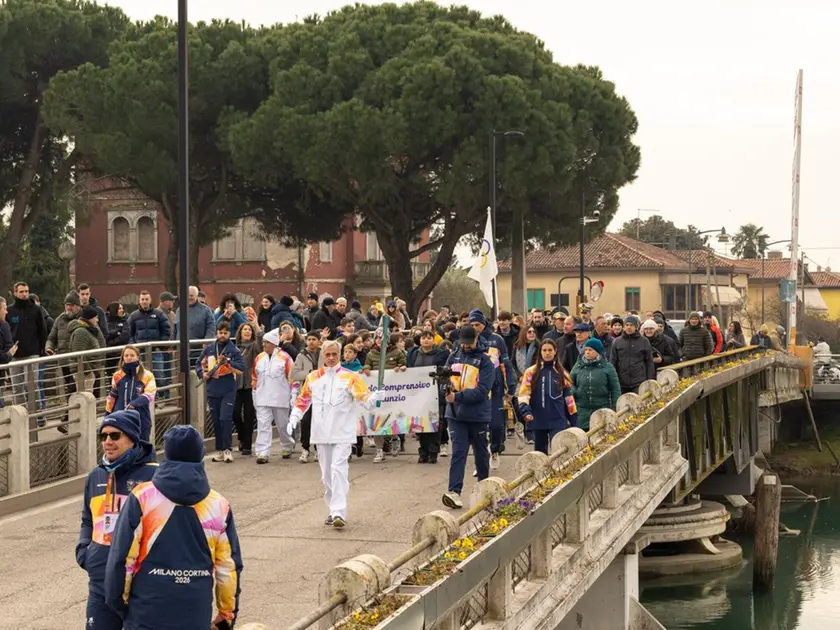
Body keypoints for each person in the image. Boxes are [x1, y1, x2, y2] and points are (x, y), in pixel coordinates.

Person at [104, 425, 242, 630]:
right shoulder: (218, 504)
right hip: (195, 611)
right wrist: (227, 613)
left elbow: (122, 559)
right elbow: (228, 567)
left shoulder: (143, 497)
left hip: (146, 610)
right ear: (200, 454)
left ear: (166, 453)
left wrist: (120, 604)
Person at [288, 340, 382, 528]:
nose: (331, 358)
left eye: (334, 355)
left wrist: (374, 398)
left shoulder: (350, 377)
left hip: (342, 432)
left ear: (339, 356)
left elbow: (364, 399)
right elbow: (303, 400)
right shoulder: (313, 377)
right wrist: (294, 417)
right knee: (327, 475)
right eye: (328, 355)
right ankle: (332, 509)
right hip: (321, 433)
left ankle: (339, 511)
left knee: (339, 469)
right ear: (322, 356)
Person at [76, 410, 157, 630]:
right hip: (100, 580)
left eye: (115, 435)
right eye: (103, 436)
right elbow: (87, 519)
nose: (108, 442)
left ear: (132, 438)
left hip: (139, 583)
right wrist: (85, 552)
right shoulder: (96, 475)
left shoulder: (153, 476)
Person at [441, 325, 494, 509]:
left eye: (469, 343)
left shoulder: (485, 361)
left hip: (478, 416)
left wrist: (458, 396)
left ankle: (484, 490)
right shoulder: (454, 355)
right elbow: (445, 378)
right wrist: (445, 389)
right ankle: (454, 492)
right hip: (455, 415)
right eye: (463, 343)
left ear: (476, 339)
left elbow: (482, 391)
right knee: (458, 452)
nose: (465, 346)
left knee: (481, 454)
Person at [467, 309, 517, 470]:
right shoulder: (467, 340)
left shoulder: (497, 340)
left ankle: (494, 449)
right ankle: (481, 460)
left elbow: (506, 365)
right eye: (472, 324)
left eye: (478, 324)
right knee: (479, 428)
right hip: (476, 389)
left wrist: (511, 386)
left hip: (495, 388)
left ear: (484, 324)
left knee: (496, 425)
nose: (475, 327)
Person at [196, 321, 245, 463]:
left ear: (229, 334)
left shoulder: (233, 350)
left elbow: (241, 368)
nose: (222, 335)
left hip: (228, 389)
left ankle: (228, 449)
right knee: (216, 420)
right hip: (212, 388)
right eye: (220, 332)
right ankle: (219, 450)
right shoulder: (210, 348)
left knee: (225, 418)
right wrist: (202, 374)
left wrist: (228, 362)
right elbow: (199, 363)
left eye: (225, 333)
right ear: (217, 333)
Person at [519, 338, 578, 454]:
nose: (547, 353)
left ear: (555, 351)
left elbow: (569, 400)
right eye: (544, 350)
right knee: (540, 454)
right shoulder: (531, 372)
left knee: (559, 452)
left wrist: (575, 421)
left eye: (550, 350)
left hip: (558, 419)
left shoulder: (562, 373)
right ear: (540, 352)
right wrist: (526, 412)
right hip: (538, 419)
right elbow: (523, 395)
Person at [252, 328, 298, 464]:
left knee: (282, 425)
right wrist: (254, 393)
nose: (264, 345)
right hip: (262, 397)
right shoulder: (259, 358)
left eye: (266, 342)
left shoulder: (285, 358)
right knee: (263, 425)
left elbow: (293, 377)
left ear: (274, 344)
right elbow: (254, 377)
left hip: (280, 397)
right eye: (263, 342)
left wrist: (294, 394)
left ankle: (287, 445)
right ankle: (262, 452)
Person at [363, 330, 407, 462]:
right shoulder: (371, 353)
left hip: (392, 392)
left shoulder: (396, 352)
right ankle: (379, 449)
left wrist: (401, 367)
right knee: (376, 419)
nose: (379, 341)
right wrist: (366, 368)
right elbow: (367, 364)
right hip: (376, 391)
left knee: (392, 416)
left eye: (382, 338)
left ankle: (394, 438)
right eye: (377, 338)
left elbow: (403, 362)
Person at [406, 330, 450, 463]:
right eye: (423, 338)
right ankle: (423, 451)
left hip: (435, 393)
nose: (426, 340)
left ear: (433, 340)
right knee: (421, 423)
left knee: (435, 423)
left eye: (429, 338)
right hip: (419, 394)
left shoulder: (441, 354)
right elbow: (409, 369)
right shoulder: (413, 354)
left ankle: (433, 451)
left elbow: (445, 371)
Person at [7, 281, 48, 405]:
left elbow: (42, 330)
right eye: (21, 292)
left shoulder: (36, 309)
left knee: (31, 386)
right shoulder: (10, 310)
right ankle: (20, 416)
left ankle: (36, 416)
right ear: (15, 293)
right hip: (15, 355)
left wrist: (41, 351)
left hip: (32, 353)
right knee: (17, 388)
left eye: (26, 291)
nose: (24, 294)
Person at [105, 346, 157, 443]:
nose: (129, 357)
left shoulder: (147, 375)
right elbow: (112, 397)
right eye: (126, 355)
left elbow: (150, 394)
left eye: (132, 355)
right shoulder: (117, 375)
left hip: (141, 418)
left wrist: (134, 403)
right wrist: (107, 415)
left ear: (138, 357)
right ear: (123, 358)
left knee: (141, 449)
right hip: (120, 418)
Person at [570, 338, 621, 431]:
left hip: (601, 408)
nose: (587, 352)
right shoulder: (578, 366)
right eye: (586, 350)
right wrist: (574, 391)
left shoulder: (608, 367)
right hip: (582, 409)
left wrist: (614, 409)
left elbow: (615, 389)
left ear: (598, 352)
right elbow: (570, 383)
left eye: (590, 350)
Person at [291, 331, 322, 463]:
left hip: (322, 392)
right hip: (307, 392)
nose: (311, 342)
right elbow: (295, 374)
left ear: (319, 341)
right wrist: (309, 373)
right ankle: (305, 448)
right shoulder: (301, 355)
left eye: (314, 339)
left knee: (319, 420)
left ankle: (318, 448)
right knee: (306, 420)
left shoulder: (324, 353)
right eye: (309, 339)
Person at [233, 323, 261, 456]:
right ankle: (242, 437)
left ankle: (247, 445)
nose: (247, 332)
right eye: (245, 329)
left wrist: (256, 325)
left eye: (249, 330)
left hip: (250, 384)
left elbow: (261, 346)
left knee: (249, 415)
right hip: (236, 384)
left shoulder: (254, 346)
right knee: (235, 412)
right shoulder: (234, 348)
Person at [609, 315, 655, 394]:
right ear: (624, 327)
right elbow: (613, 361)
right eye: (627, 325)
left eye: (631, 325)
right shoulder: (617, 342)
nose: (629, 327)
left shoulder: (644, 341)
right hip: (622, 382)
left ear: (636, 327)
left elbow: (649, 362)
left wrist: (649, 380)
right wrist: (613, 380)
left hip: (638, 382)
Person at [69, 306, 107, 395]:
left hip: (89, 371)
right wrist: (88, 371)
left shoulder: (87, 330)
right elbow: (77, 353)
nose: (97, 320)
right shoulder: (81, 332)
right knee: (85, 398)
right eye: (96, 318)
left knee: (89, 398)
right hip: (84, 374)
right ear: (90, 318)